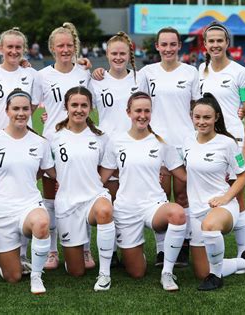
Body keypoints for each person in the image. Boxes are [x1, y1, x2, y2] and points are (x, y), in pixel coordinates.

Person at [0, 88, 54, 294]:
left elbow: (53, 172)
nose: (21, 113)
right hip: (0, 210)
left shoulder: (40, 143)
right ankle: (2, 256)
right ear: (7, 111)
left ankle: (36, 277)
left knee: (42, 222)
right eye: (16, 108)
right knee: (12, 277)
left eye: (25, 108)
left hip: (29, 205)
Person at [185, 94, 245, 291]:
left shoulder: (227, 143)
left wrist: (225, 198)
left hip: (223, 208)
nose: (201, 122)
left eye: (207, 117)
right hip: (196, 210)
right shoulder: (186, 140)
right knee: (201, 271)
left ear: (216, 117)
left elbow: (243, 176)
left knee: (209, 226)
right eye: (197, 117)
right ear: (191, 116)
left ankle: (216, 278)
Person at [100, 92, 187, 291]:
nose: (142, 115)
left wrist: (217, 177)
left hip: (153, 205)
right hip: (126, 209)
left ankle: (167, 272)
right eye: (138, 110)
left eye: (147, 110)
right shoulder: (116, 141)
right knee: (137, 272)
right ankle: (136, 253)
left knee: (177, 213)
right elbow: (102, 177)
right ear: (128, 112)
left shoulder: (161, 142)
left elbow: (182, 175)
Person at [0, 27, 42, 274]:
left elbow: (32, 105)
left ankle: (23, 254)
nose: (14, 51)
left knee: (26, 196)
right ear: (0, 49)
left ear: (23, 50)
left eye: (18, 47)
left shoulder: (32, 74)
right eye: (9, 47)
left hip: (25, 144)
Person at [137, 27, 198, 267]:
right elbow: (137, 104)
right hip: (156, 144)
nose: (168, 48)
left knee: (183, 196)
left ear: (179, 46)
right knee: (160, 197)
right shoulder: (146, 72)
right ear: (157, 47)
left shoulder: (191, 72)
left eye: (173, 44)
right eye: (164, 44)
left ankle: (183, 247)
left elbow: (199, 105)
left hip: (184, 143)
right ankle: (162, 250)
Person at [198, 21, 245, 268]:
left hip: (234, 141)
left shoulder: (241, 73)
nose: (215, 45)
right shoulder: (200, 70)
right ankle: (207, 237)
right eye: (210, 41)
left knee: (238, 197)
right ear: (205, 44)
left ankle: (244, 252)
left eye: (219, 40)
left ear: (227, 43)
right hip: (208, 142)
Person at [38, 22, 94, 270]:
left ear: (75, 47)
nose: (65, 49)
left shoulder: (84, 73)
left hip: (80, 144)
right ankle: (52, 250)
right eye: (60, 45)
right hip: (52, 143)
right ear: (51, 48)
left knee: (83, 195)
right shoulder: (40, 76)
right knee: (51, 198)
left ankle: (84, 249)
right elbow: (28, 108)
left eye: (69, 45)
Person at [50, 86, 115, 291]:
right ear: (66, 107)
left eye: (84, 105)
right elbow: (45, 167)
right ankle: (79, 253)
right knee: (76, 271)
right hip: (67, 203)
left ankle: (105, 274)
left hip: (94, 198)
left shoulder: (101, 137)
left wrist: (97, 181)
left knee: (105, 210)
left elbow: (109, 165)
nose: (79, 109)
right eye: (74, 105)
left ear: (90, 108)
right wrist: (62, 177)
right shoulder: (54, 136)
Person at [89, 31, 140, 267]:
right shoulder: (96, 80)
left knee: (125, 199)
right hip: (105, 147)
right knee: (106, 199)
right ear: (107, 55)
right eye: (114, 53)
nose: (118, 57)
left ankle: (124, 243)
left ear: (130, 55)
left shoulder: (140, 79)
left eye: (123, 53)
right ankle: (107, 252)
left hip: (133, 147)